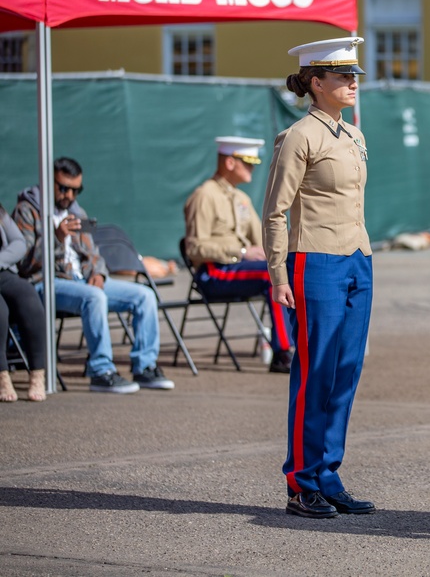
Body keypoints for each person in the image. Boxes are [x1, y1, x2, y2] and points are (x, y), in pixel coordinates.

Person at [263, 37, 376, 519]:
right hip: (316, 261)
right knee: (315, 373)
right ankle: (301, 482)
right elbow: (275, 211)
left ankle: (329, 475)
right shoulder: (298, 136)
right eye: (341, 76)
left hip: (357, 259)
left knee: (346, 372)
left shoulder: (353, 135)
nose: (352, 82)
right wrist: (277, 273)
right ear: (315, 82)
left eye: (353, 76)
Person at [14, 157, 174, 394]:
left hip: (83, 281)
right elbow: (23, 262)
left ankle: (145, 367)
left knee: (145, 295)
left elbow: (94, 254)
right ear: (49, 182)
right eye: (64, 188)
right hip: (44, 283)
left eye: (76, 189)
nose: (69, 195)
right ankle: (101, 371)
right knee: (94, 297)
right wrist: (56, 238)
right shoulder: (28, 211)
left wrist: (99, 273)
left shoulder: (77, 212)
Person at [184, 136, 295, 373]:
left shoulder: (240, 198)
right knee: (271, 277)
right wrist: (242, 252)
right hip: (213, 272)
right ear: (230, 163)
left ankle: (302, 346)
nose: (252, 168)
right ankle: (283, 353)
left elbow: (263, 239)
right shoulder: (205, 196)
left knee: (288, 271)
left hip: (235, 271)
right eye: (247, 162)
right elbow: (194, 248)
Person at [1, 203, 47, 402]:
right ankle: (2, 376)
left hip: (2, 270)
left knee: (28, 297)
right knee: (0, 311)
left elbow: (19, 243)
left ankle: (37, 374)